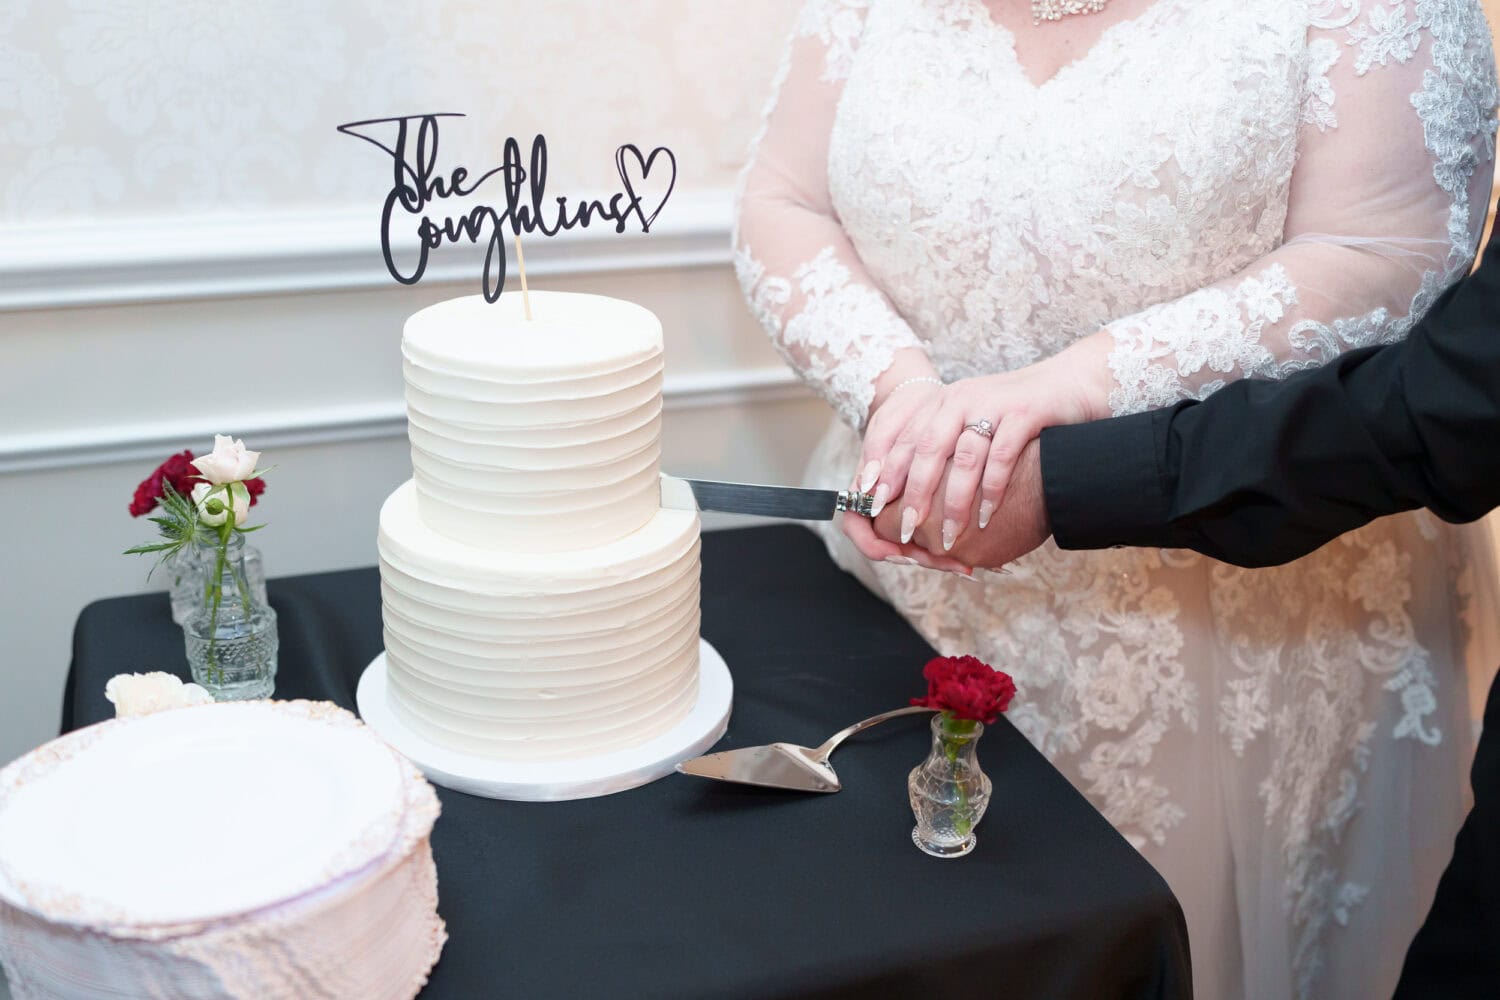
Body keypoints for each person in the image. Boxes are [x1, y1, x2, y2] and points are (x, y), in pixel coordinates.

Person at [733, 2, 1498, 997]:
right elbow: (784, 201)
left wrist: (1076, 392)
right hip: (903, 582)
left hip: (1235, 614)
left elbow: (1384, 257)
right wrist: (901, 394)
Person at [868, 213, 1500, 998]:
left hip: (1257, 652)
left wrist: (1066, 471)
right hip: (924, 595)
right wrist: (900, 397)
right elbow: (783, 202)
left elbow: (1451, 398)